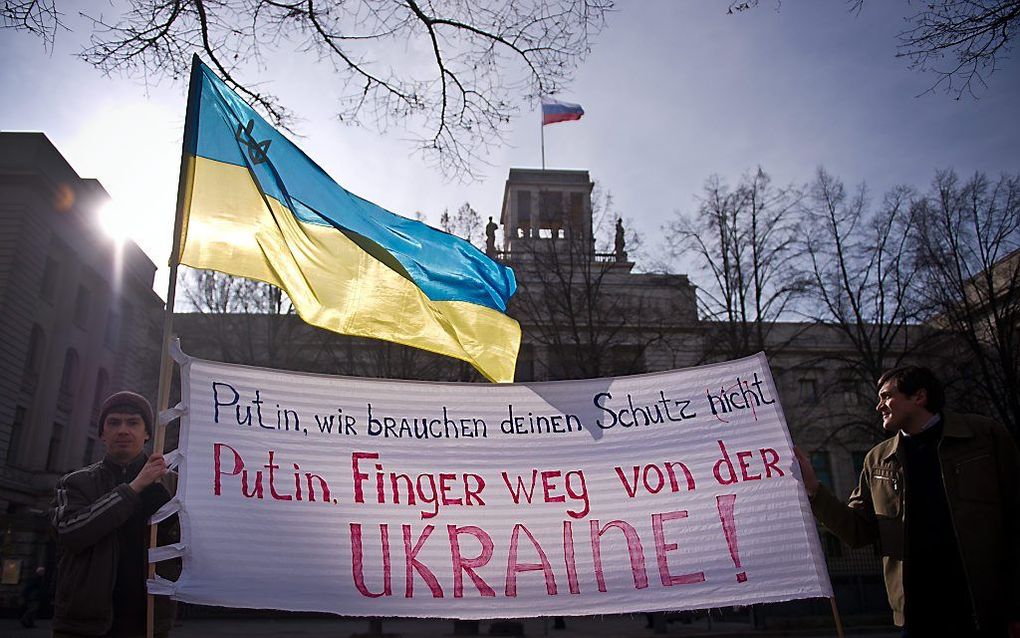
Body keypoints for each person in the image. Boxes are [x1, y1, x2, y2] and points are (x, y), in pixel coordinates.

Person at [795, 366, 1019, 636]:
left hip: (985, 610)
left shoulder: (983, 437)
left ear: (919, 397)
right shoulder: (877, 460)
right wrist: (813, 489)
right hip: (916, 615)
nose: (879, 406)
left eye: (887, 396)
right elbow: (857, 532)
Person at [51, 391, 179, 638]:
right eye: (114, 422)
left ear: (147, 434)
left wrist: (169, 520)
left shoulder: (171, 485)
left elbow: (189, 546)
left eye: (132, 423)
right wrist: (133, 489)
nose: (123, 430)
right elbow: (69, 533)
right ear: (102, 433)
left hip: (149, 624)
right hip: (84, 627)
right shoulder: (75, 483)